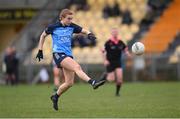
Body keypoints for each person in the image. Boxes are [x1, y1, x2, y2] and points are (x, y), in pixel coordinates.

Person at [36, 9, 105, 111]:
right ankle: (93, 82)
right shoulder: (53, 27)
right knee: (77, 67)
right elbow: (43, 35)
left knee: (69, 83)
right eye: (68, 18)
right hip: (58, 54)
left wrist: (89, 33)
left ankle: (55, 96)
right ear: (62, 18)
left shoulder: (71, 26)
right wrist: (40, 50)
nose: (70, 20)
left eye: (71, 18)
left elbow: (83, 30)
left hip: (68, 55)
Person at [100, 28, 131, 96]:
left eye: (116, 32)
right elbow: (102, 51)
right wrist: (105, 60)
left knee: (120, 80)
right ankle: (105, 75)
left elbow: (125, 49)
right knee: (111, 79)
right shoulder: (108, 42)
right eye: (113, 32)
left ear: (118, 33)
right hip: (110, 62)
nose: (115, 33)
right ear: (111, 33)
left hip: (118, 62)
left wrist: (127, 53)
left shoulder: (120, 42)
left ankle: (117, 93)